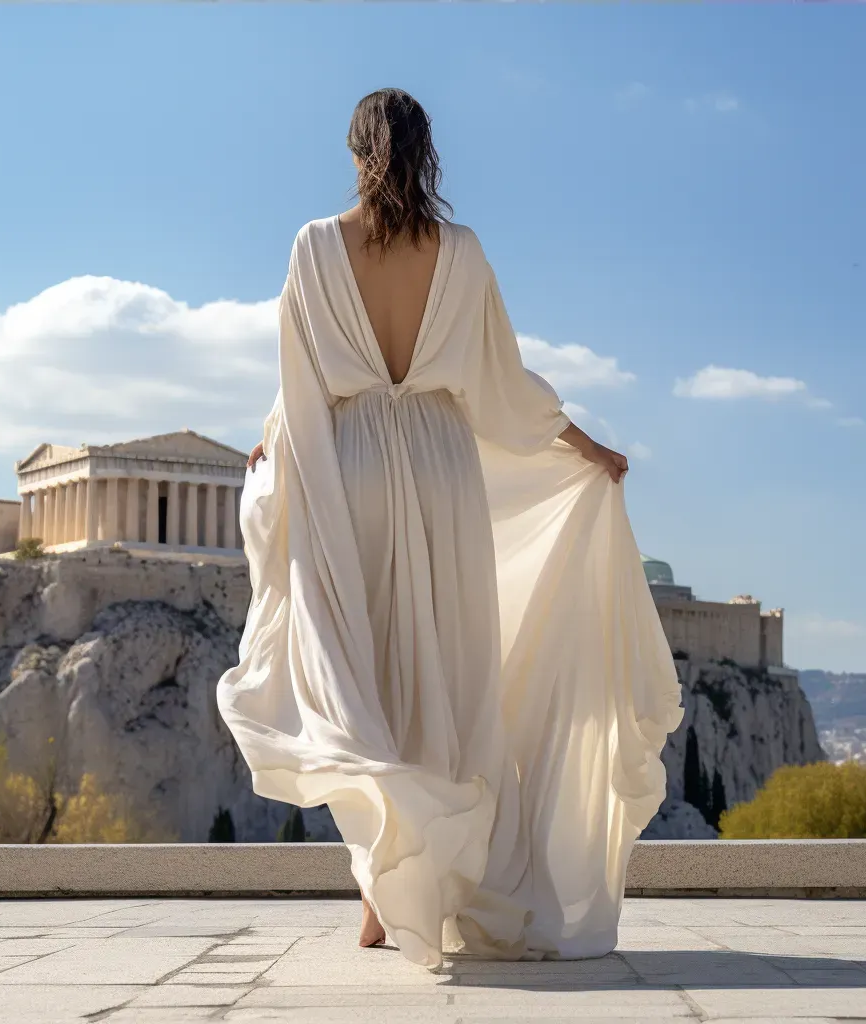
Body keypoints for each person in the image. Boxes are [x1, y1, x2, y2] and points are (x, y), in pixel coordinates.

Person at [217, 88, 684, 969]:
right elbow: (505, 384)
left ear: (357, 150)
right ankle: (419, 889)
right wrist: (587, 447)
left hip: (350, 463)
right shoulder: (461, 252)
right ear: (427, 151)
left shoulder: (316, 244)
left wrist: (274, 441)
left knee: (366, 678)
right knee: (446, 676)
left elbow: (301, 377)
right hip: (438, 464)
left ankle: (383, 897)